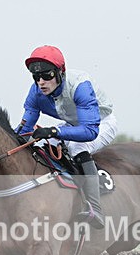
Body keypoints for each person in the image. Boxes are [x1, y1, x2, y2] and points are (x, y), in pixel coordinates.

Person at [15, 45, 116, 229]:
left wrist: (54, 131)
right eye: (37, 77)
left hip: (100, 123)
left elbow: (89, 131)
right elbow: (24, 131)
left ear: (60, 72)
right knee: (41, 142)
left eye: (47, 76)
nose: (41, 82)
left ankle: (95, 209)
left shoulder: (80, 86)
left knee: (79, 147)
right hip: (72, 124)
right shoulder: (35, 92)